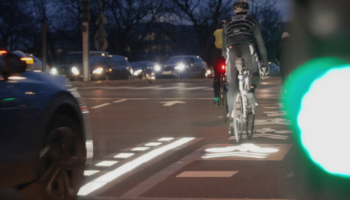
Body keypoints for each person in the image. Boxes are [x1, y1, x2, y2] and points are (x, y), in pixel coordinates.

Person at [222, 0, 268, 135]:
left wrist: (227, 60)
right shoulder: (252, 20)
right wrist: (264, 63)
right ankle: (251, 91)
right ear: (246, 10)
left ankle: (232, 120)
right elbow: (260, 43)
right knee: (255, 72)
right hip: (247, 48)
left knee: (232, 86)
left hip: (231, 50)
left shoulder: (227, 22)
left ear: (234, 10)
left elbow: (224, 47)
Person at [205, 21, 226, 107]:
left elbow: (208, 48)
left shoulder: (214, 34)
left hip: (217, 59)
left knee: (217, 77)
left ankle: (216, 99)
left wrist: (209, 63)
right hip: (227, 58)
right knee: (231, 76)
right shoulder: (229, 33)